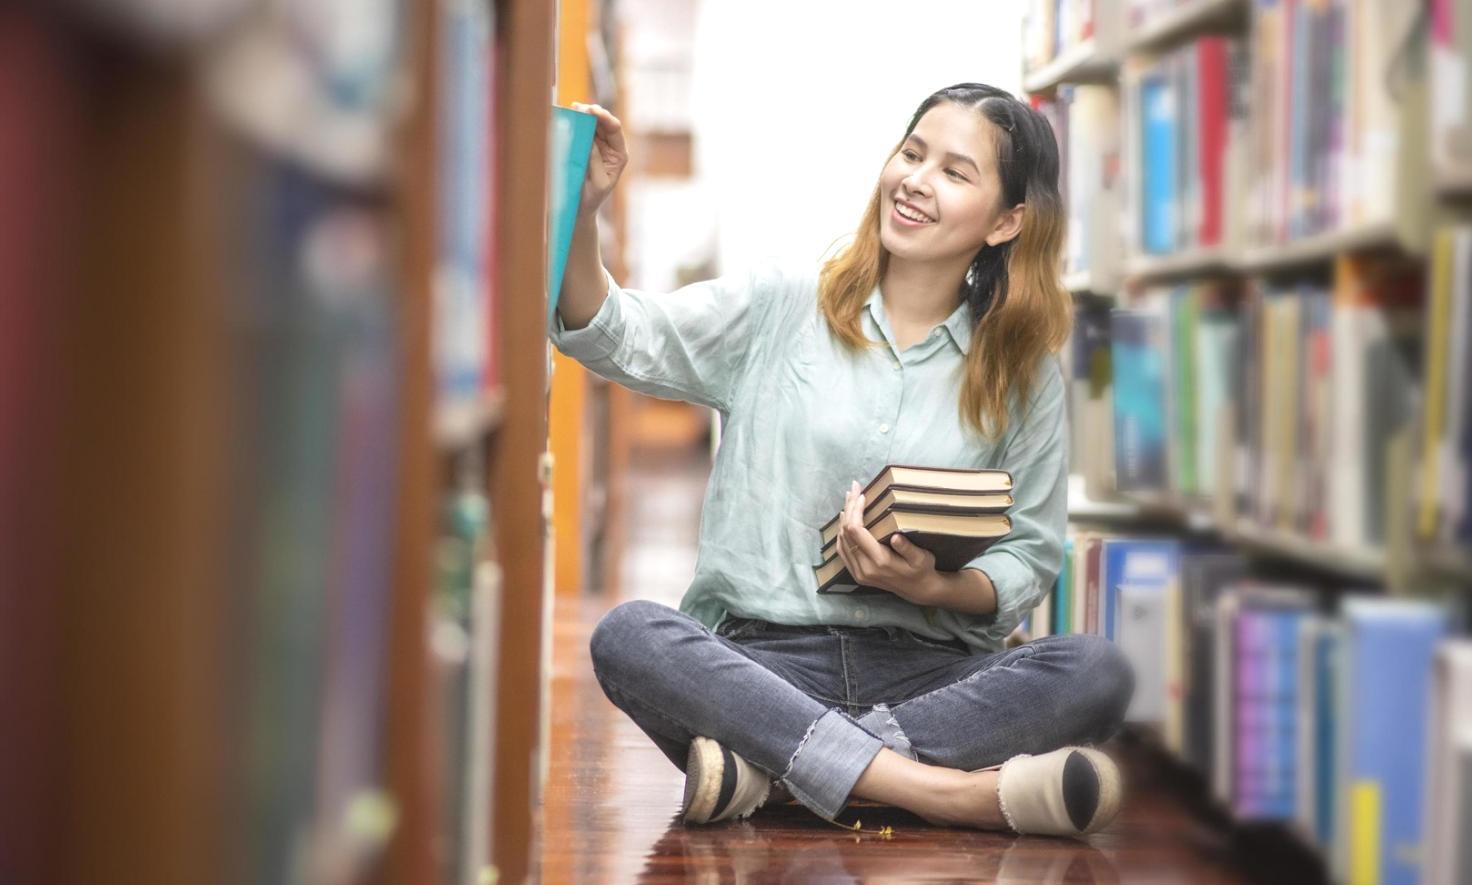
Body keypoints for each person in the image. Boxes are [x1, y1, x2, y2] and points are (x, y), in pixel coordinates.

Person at [552, 83, 1134, 838]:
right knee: (630, 635)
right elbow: (610, 330)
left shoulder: (1022, 374)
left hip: (928, 672)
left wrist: (935, 583)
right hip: (762, 667)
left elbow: (1028, 553)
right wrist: (584, 209)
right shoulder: (783, 306)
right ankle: (943, 792)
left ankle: (772, 773)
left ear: (1007, 221)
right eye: (913, 153)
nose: (917, 180)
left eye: (956, 172)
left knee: (1098, 670)